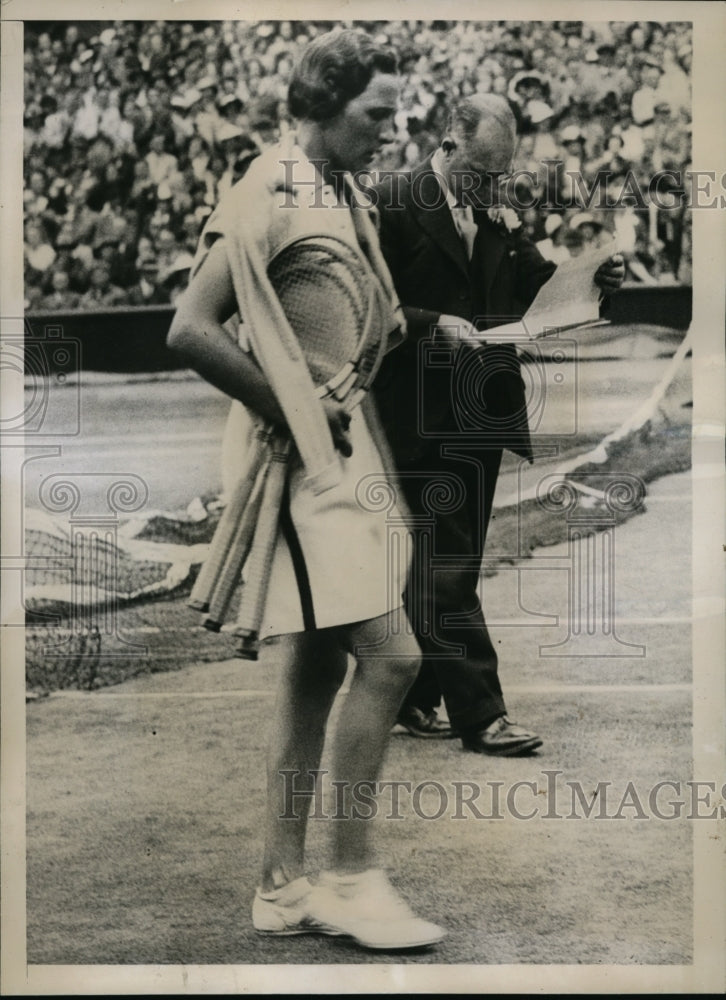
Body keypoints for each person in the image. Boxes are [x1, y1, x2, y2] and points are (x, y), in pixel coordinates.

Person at [167, 29, 444, 952]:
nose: (392, 130)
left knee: (320, 668)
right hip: (294, 461)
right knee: (394, 658)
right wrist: (292, 405)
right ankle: (352, 878)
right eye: (377, 113)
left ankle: (282, 885)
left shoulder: (340, 191)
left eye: (397, 112)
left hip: (338, 447)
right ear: (322, 105)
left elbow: (357, 322)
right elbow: (191, 328)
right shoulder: (266, 188)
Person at [374, 94, 624, 754]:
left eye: (500, 173)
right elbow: (369, 304)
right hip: (417, 412)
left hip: (481, 407)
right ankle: (481, 713)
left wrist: (598, 276)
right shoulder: (392, 200)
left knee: (448, 560)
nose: (492, 186)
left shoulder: (495, 209)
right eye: (483, 172)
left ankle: (412, 694)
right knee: (449, 563)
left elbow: (539, 291)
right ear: (449, 143)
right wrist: (432, 325)